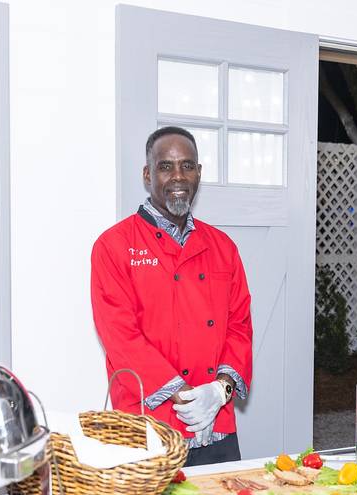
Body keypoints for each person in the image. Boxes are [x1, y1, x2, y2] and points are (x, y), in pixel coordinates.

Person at [90, 126, 253, 466]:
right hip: (149, 424)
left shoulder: (223, 247)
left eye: (187, 166)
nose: (178, 176)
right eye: (166, 166)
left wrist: (218, 392)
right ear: (147, 174)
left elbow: (239, 327)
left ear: (198, 173)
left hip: (215, 424)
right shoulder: (114, 246)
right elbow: (121, 337)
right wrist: (184, 396)